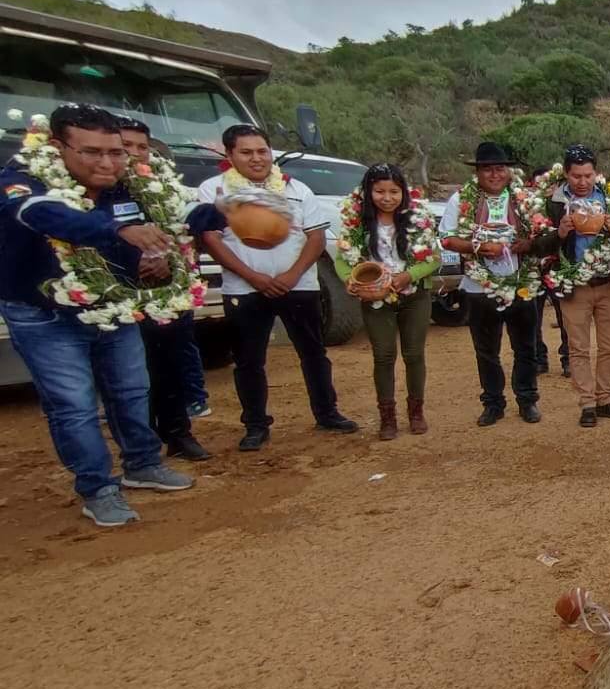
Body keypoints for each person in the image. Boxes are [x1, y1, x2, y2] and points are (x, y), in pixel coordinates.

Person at [0, 104, 225, 526]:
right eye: (91, 152)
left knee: (132, 390)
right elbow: (39, 213)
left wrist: (226, 211)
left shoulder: (133, 181)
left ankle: (143, 464)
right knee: (74, 406)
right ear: (57, 147)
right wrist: (116, 230)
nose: (107, 163)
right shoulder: (23, 179)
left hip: (115, 307)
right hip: (44, 314)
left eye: (115, 152)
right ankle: (98, 488)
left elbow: (175, 212)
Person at [196, 124, 358, 449]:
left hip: (299, 286)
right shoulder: (214, 190)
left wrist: (292, 275)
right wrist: (253, 277)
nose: (256, 158)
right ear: (229, 155)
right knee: (249, 360)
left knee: (313, 353)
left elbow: (315, 237)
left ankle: (327, 413)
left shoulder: (296, 188)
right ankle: (256, 425)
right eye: (246, 152)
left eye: (262, 151)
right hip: (244, 289)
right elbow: (211, 240)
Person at [118, 117, 210, 461]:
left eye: (142, 147)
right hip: (115, 298)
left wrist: (169, 261)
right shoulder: (94, 188)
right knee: (128, 377)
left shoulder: (162, 186)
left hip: (166, 293)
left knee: (169, 366)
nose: (135, 153)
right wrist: (132, 262)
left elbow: (180, 230)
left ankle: (178, 434)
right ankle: (140, 449)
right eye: (126, 146)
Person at [438, 142, 546, 426]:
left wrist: (528, 244)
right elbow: (446, 238)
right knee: (486, 351)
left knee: (526, 347)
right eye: (488, 169)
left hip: (522, 282)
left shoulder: (525, 199)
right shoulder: (461, 199)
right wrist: (476, 247)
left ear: (509, 172)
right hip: (479, 286)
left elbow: (542, 234)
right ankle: (493, 403)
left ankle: (527, 400)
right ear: (478, 172)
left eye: (500, 169)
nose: (495, 175)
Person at [333, 163, 442, 439]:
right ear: (368, 192)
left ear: (403, 192)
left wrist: (409, 275)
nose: (387, 198)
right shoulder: (357, 221)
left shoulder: (418, 218)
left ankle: (416, 412)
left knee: (414, 354)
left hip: (414, 295)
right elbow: (341, 259)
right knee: (383, 355)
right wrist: (349, 279)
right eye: (379, 191)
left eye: (394, 191)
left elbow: (434, 259)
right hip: (375, 295)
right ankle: (387, 418)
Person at [530, 145, 610, 427]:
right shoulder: (553, 202)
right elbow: (537, 246)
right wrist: (560, 233)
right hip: (574, 285)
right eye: (576, 176)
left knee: (609, 345)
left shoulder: (609, 198)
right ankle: (588, 403)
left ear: (596, 173)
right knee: (578, 348)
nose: (582, 182)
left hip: (608, 283)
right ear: (566, 174)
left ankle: (605, 399)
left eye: (588, 175)